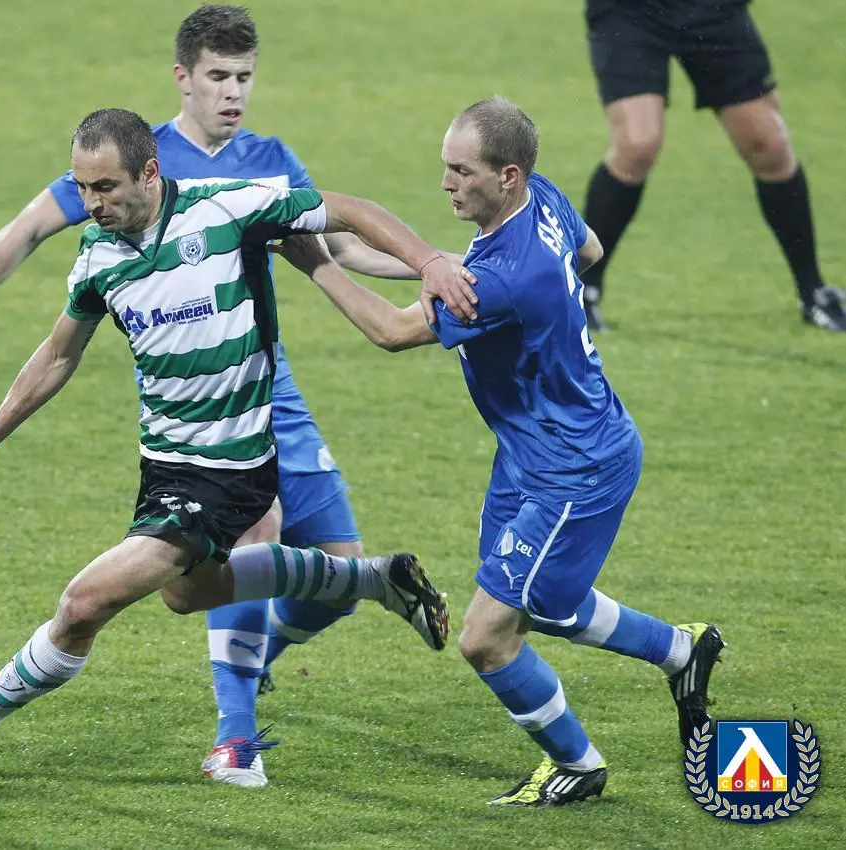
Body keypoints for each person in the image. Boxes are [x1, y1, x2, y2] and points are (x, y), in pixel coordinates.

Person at [0, 5, 474, 788]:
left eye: (104, 188)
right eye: (83, 188)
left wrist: (433, 261)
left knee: (85, 601)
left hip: (231, 463)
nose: (91, 203)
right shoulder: (98, 256)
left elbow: (347, 215)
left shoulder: (230, 205)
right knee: (185, 595)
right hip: (163, 463)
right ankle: (373, 580)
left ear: (149, 174)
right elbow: (58, 353)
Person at [274, 97, 726, 806]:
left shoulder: (503, 280)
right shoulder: (541, 201)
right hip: (529, 452)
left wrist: (315, 266)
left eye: (461, 172)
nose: (446, 183)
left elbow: (391, 333)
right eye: (446, 167)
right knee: (535, 604)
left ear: (506, 175)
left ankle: (578, 764)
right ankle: (679, 650)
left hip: (575, 468)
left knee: (487, 636)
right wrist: (365, 250)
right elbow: (588, 252)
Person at [579, 0, 845, 332]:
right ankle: (580, 291)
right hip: (629, 11)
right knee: (637, 144)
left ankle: (813, 290)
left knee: (769, 145)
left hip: (711, 9)